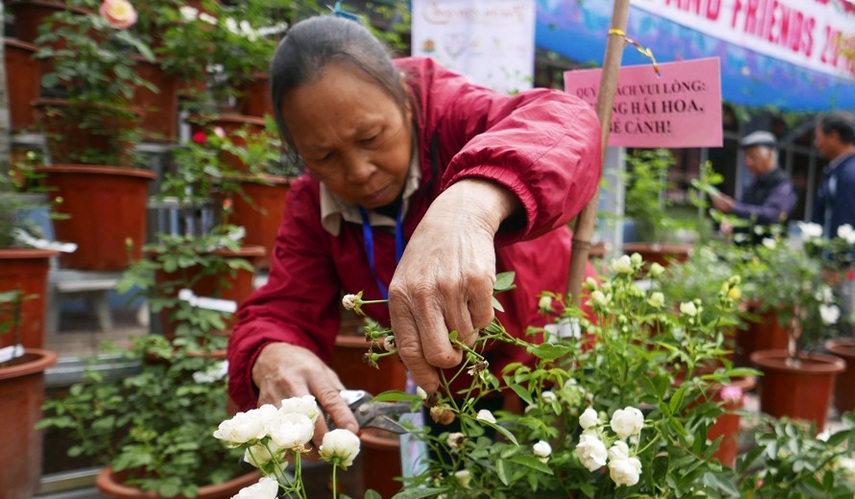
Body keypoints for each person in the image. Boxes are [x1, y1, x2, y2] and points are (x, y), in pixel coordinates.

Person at [226, 15, 602, 439]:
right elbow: (284, 307)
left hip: (562, 355)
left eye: (371, 137)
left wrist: (471, 202)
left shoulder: (453, 115)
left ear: (405, 99)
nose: (359, 170)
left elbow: (567, 122)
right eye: (324, 157)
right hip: (455, 388)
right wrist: (271, 352)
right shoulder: (313, 204)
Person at [709, 130, 797, 238]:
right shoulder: (754, 184)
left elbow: (772, 215)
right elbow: (745, 213)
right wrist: (730, 223)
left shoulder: (783, 185)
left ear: (769, 154)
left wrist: (733, 208)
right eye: (746, 156)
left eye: (753, 156)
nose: (748, 162)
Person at [812, 111, 855, 261]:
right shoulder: (844, 168)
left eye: (819, 137)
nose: (816, 143)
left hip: (839, 266)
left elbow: (847, 225)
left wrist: (838, 264)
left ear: (833, 136)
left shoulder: (849, 175)